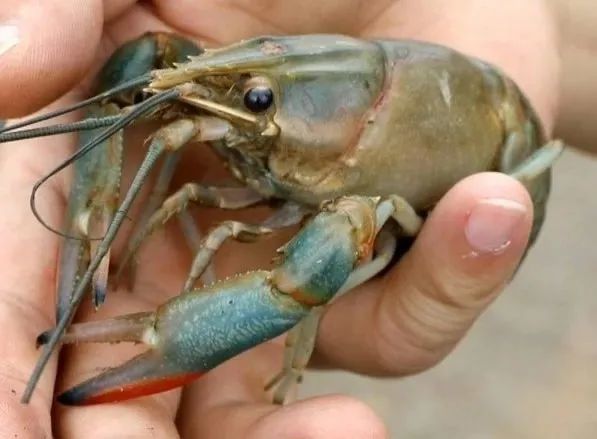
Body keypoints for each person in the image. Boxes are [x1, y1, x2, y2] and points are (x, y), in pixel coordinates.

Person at [0, 1, 590, 437]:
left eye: (256, 99)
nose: (249, 101)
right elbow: (154, 60)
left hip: (496, 153)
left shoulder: (351, 209)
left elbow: (295, 282)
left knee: (305, 279)